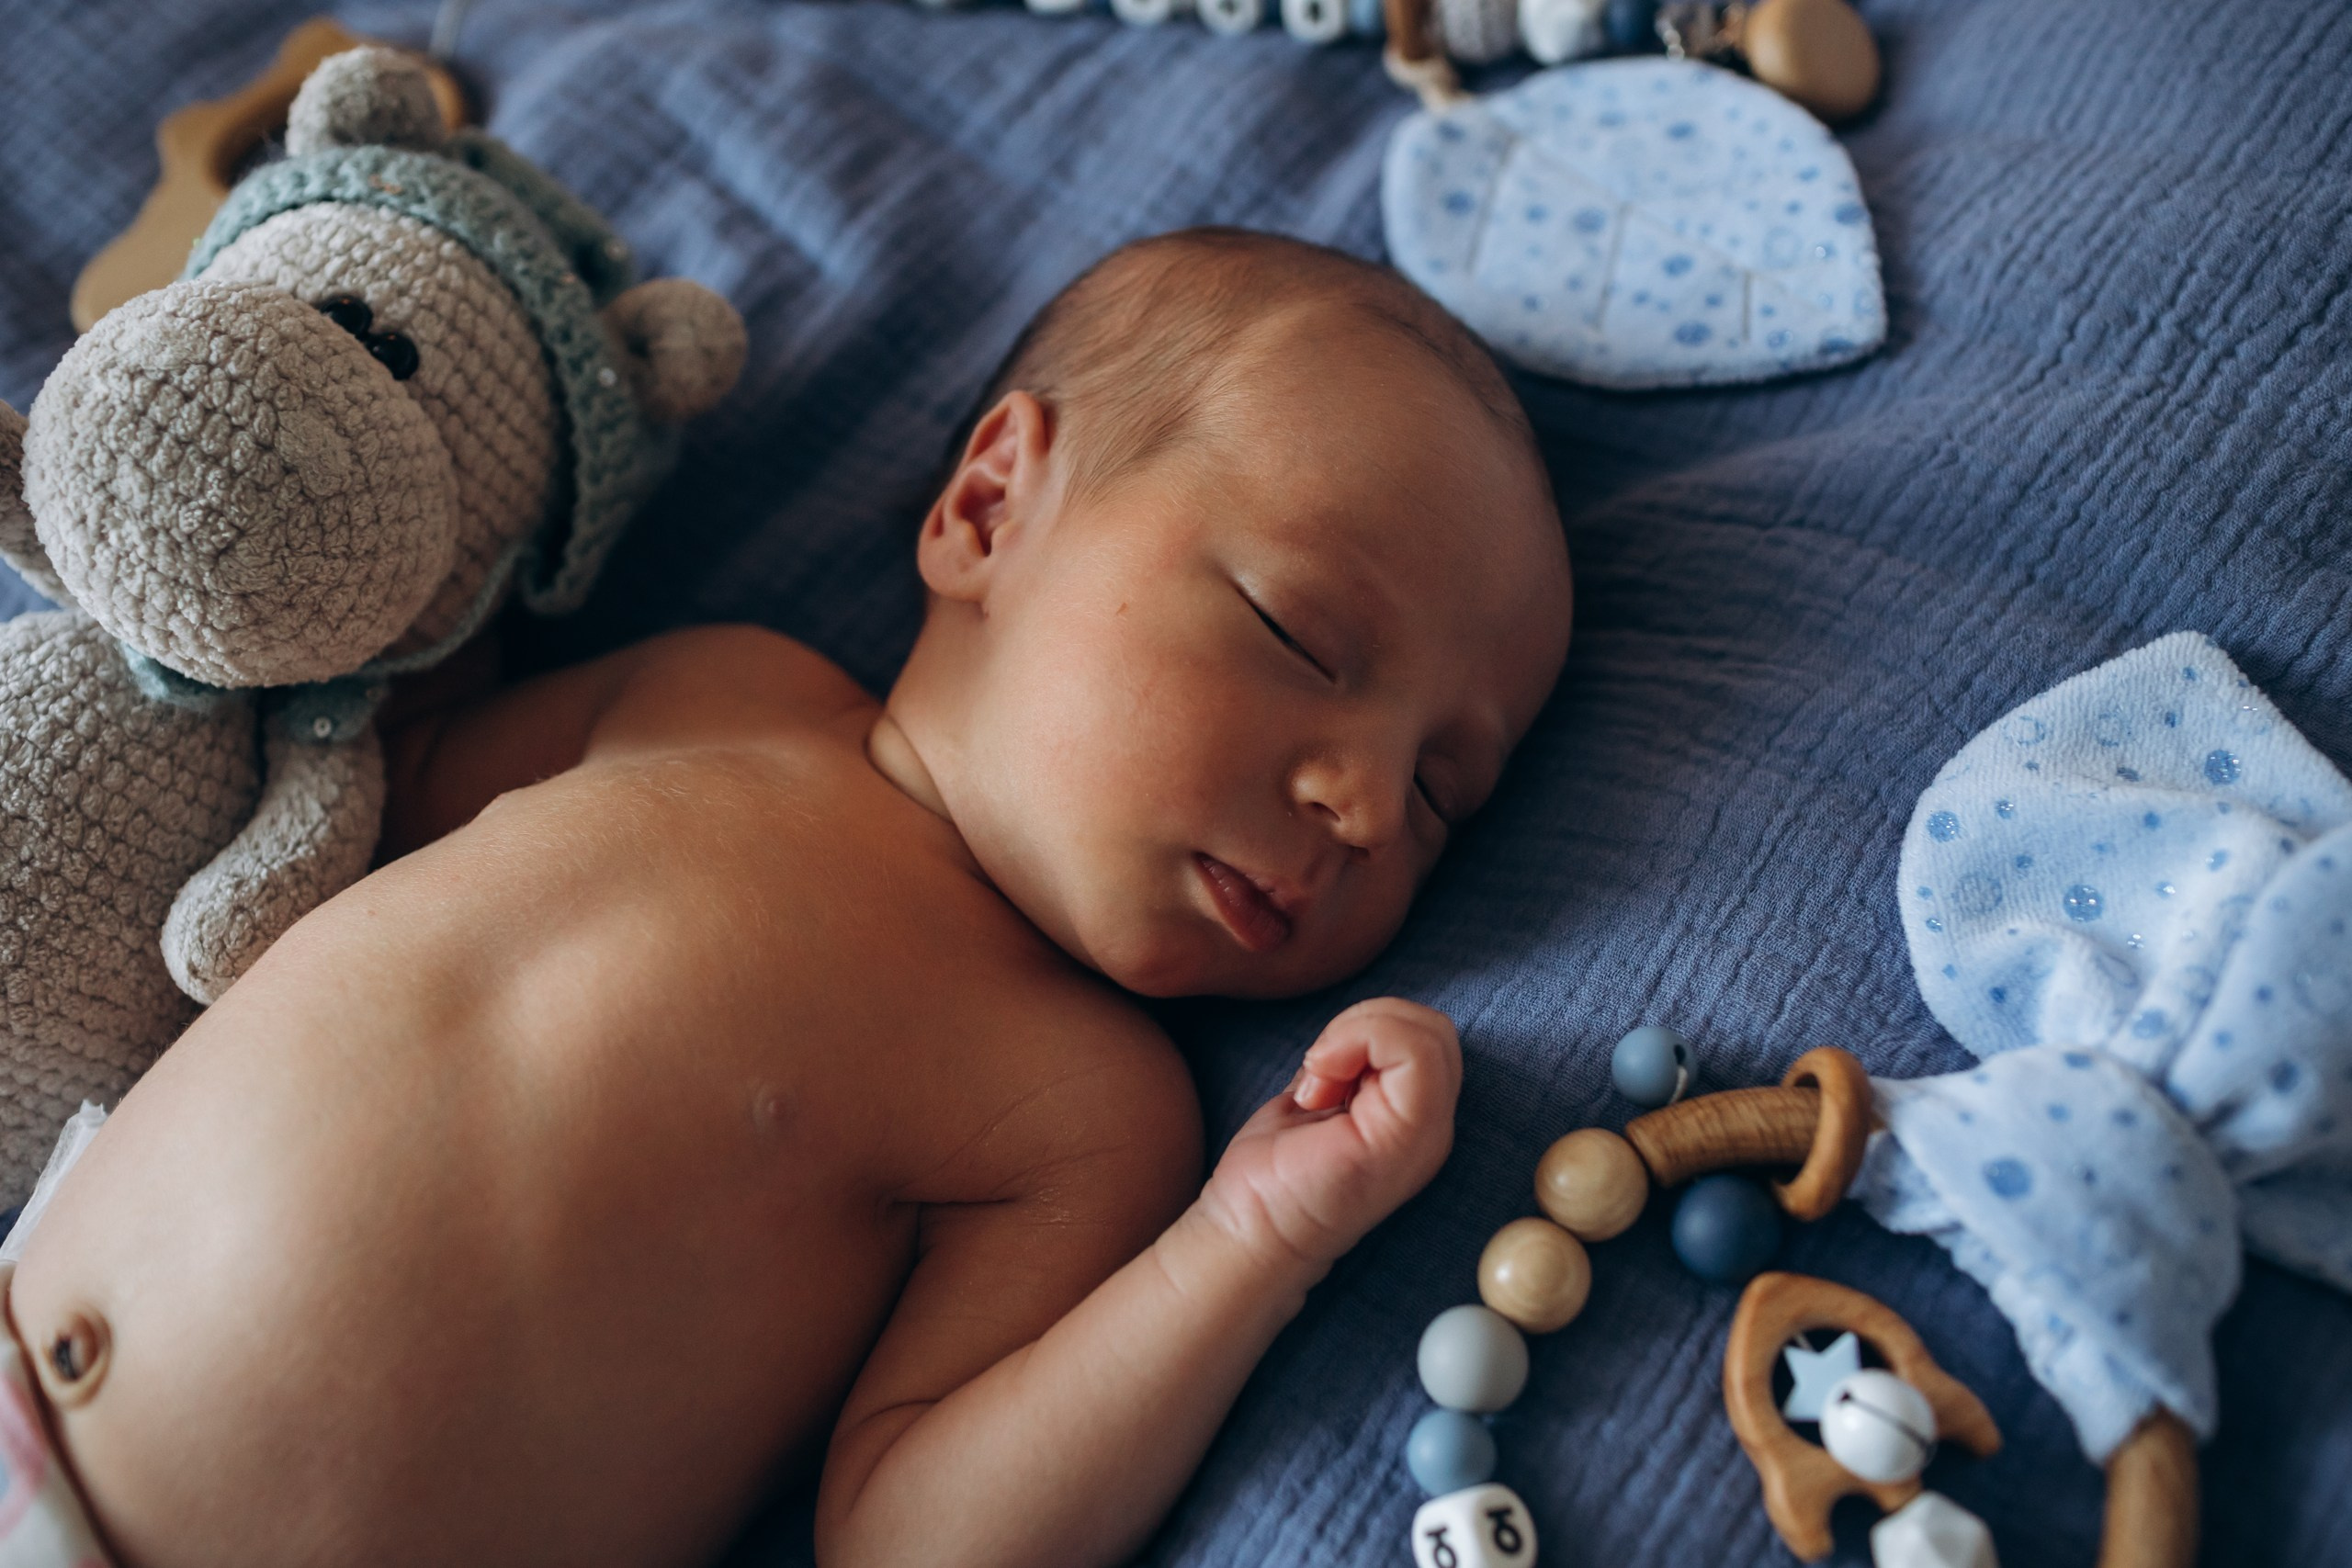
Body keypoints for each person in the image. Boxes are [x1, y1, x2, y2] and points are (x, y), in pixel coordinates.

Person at [3, 227, 1573, 1568]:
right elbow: (361, 796)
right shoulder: (715, 693)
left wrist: (1246, 1246)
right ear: (988, 509)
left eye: (1442, 794)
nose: (1365, 806)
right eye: (1301, 635)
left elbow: (908, 1532)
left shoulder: (1084, 1106)